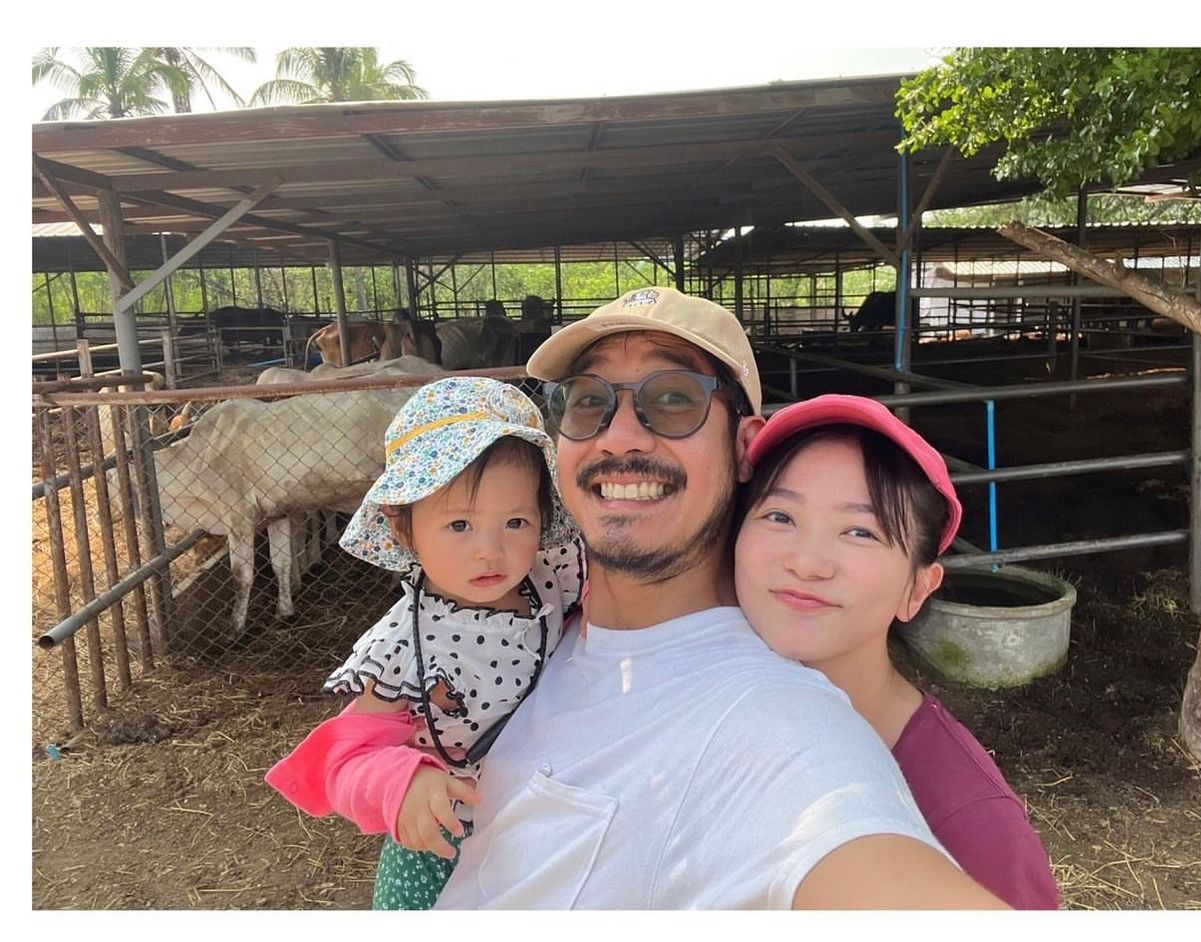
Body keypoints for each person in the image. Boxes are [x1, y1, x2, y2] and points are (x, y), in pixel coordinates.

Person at [433, 286, 1005, 909]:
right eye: (589, 400)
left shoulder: (775, 722)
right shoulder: (531, 615)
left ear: (742, 446)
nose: (618, 438)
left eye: (673, 399)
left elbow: (841, 833)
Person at [265, 376, 584, 909]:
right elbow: (346, 758)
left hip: (541, 822)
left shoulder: (554, 579)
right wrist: (400, 784)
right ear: (402, 526)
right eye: (459, 525)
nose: (490, 551)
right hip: (443, 843)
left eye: (515, 521)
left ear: (543, 518)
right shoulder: (400, 649)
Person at [733, 394, 1059, 909]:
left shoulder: (968, 821)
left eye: (860, 532)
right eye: (780, 516)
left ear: (918, 589)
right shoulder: (702, 711)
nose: (807, 562)